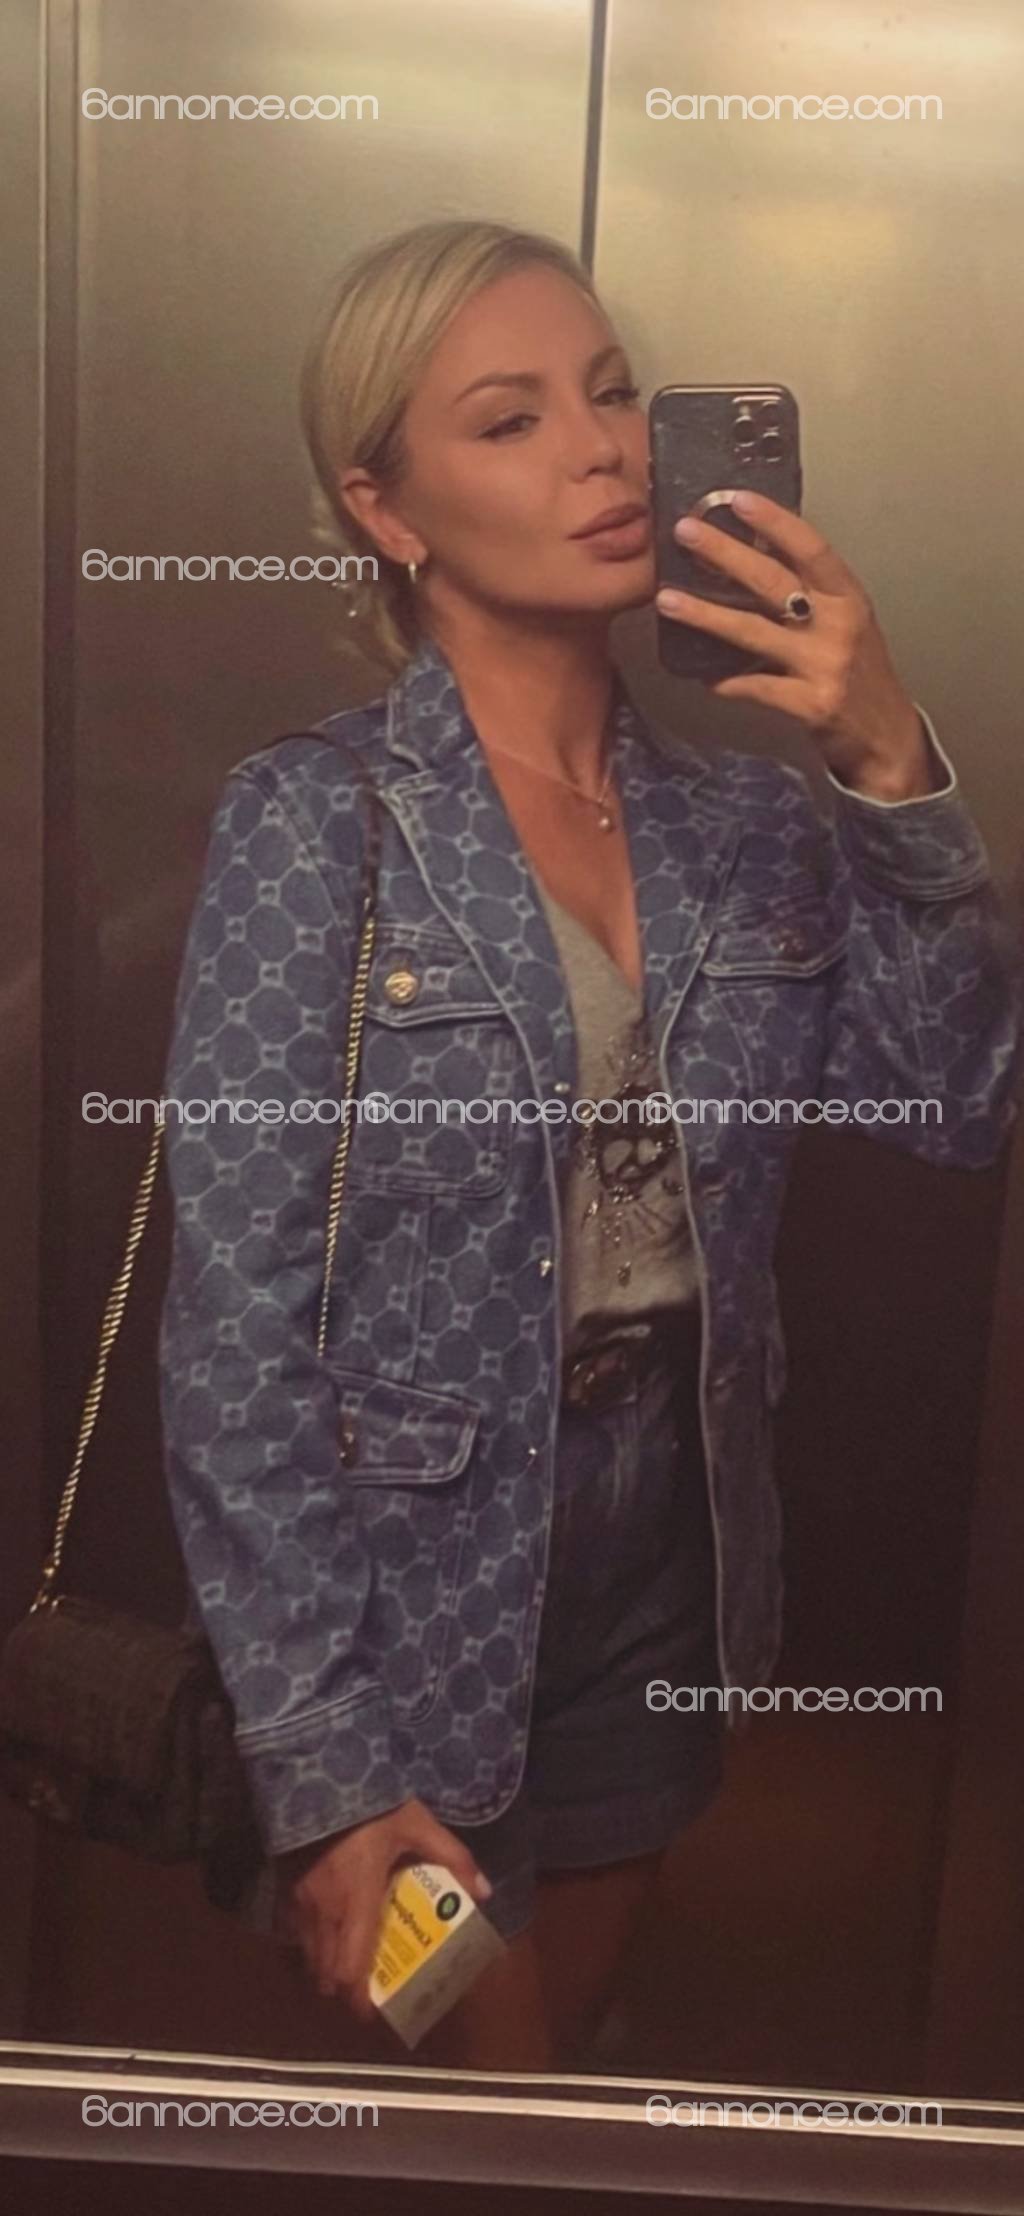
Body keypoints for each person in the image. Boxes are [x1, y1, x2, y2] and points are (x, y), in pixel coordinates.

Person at [159, 218, 1020, 2072]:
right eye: (513, 419)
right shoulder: (319, 824)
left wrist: (891, 766)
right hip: (400, 1588)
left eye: (615, 395)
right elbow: (233, 1330)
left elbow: (955, 1105)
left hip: (666, 1564)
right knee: (492, 2079)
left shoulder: (751, 829)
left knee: (568, 2061)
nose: (606, 452)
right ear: (386, 509)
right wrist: (321, 1763)